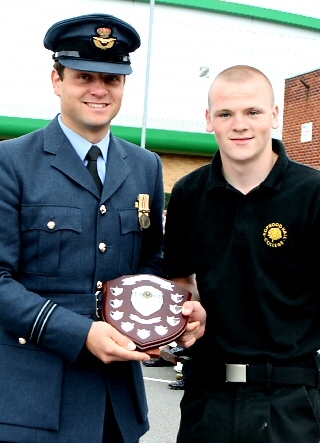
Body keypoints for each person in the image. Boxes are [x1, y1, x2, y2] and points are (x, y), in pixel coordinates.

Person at [0, 13, 205, 443]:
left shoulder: (146, 166)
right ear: (57, 80)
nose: (99, 89)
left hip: (117, 408)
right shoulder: (12, 163)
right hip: (34, 406)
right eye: (84, 76)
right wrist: (82, 333)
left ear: (124, 85)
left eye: (112, 79)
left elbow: (151, 262)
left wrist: (171, 316)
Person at [164, 64, 320, 442]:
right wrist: (188, 313)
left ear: (275, 115)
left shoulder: (312, 193)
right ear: (208, 120)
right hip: (207, 395)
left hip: (290, 400)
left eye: (252, 111)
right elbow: (182, 281)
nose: (240, 125)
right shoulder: (188, 194)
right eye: (225, 113)